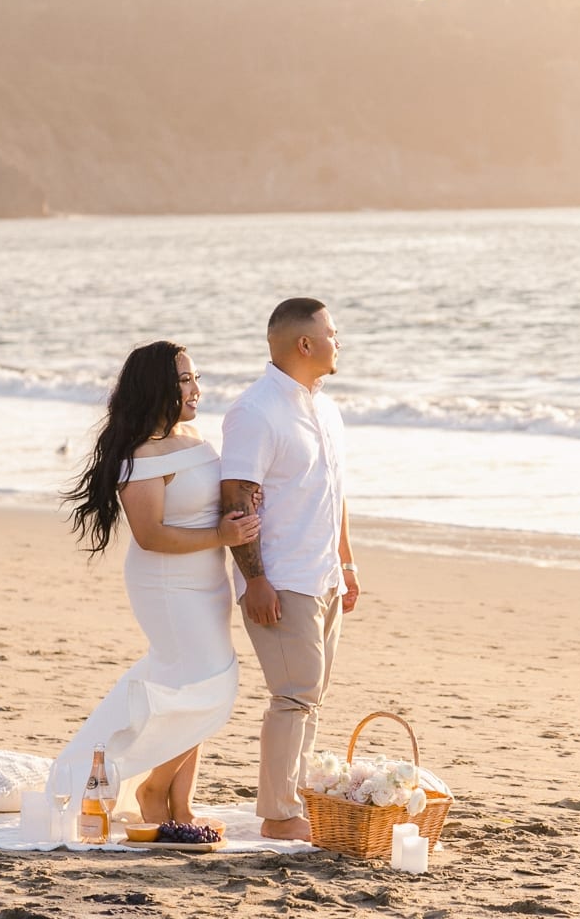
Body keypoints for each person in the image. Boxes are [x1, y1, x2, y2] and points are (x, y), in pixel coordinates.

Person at [56, 340, 260, 825]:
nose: (195, 389)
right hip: (168, 586)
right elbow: (150, 536)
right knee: (211, 685)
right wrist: (221, 533)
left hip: (207, 580)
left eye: (195, 378)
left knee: (193, 688)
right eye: (183, 381)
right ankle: (152, 789)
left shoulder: (191, 435)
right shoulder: (140, 455)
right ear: (157, 389)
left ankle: (179, 804)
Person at [220, 297, 360, 842]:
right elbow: (235, 500)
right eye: (331, 332)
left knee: (311, 696)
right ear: (305, 344)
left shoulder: (325, 407)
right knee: (295, 693)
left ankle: (294, 801)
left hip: (323, 572)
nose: (338, 341)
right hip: (281, 580)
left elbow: (335, 492)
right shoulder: (255, 412)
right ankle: (279, 815)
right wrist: (255, 579)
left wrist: (346, 561)